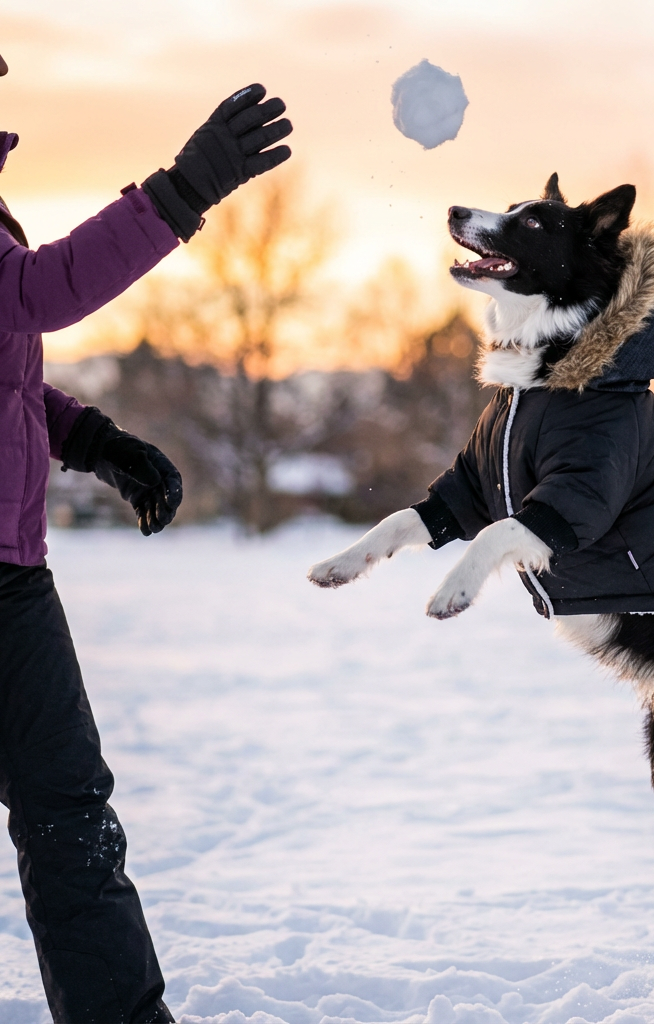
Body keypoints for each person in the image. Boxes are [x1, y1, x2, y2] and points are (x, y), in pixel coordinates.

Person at [0, 51, 292, 1023]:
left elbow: (7, 361)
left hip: (11, 575)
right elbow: (40, 294)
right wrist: (180, 191)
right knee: (64, 809)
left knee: (70, 809)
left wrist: (96, 440)